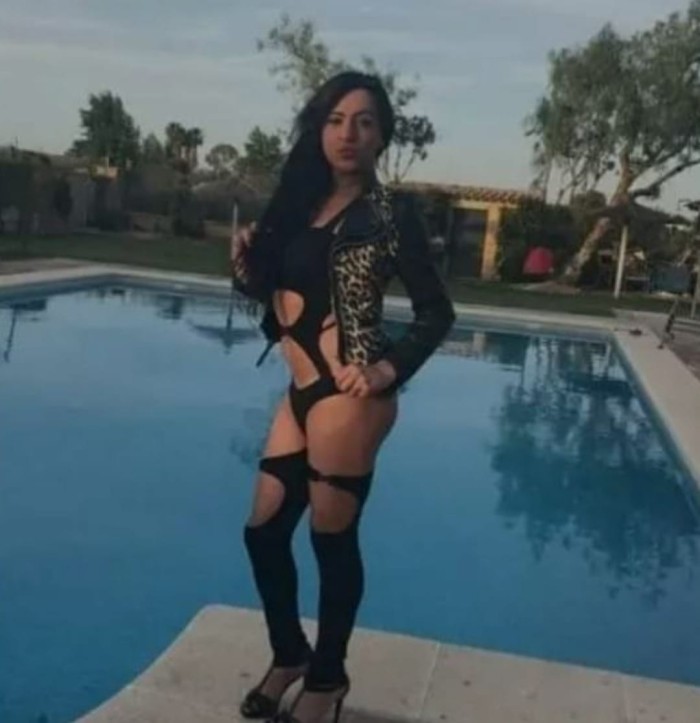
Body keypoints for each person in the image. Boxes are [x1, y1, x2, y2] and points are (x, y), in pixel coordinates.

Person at [231, 71, 455, 723]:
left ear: (382, 134)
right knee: (263, 532)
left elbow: (437, 312)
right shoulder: (296, 204)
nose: (347, 133)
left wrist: (388, 369)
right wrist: (246, 270)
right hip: (300, 391)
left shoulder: (390, 215)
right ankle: (290, 656)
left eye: (363, 121)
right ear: (319, 128)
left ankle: (327, 680)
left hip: (348, 396)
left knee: (331, 540)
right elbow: (283, 299)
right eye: (335, 119)